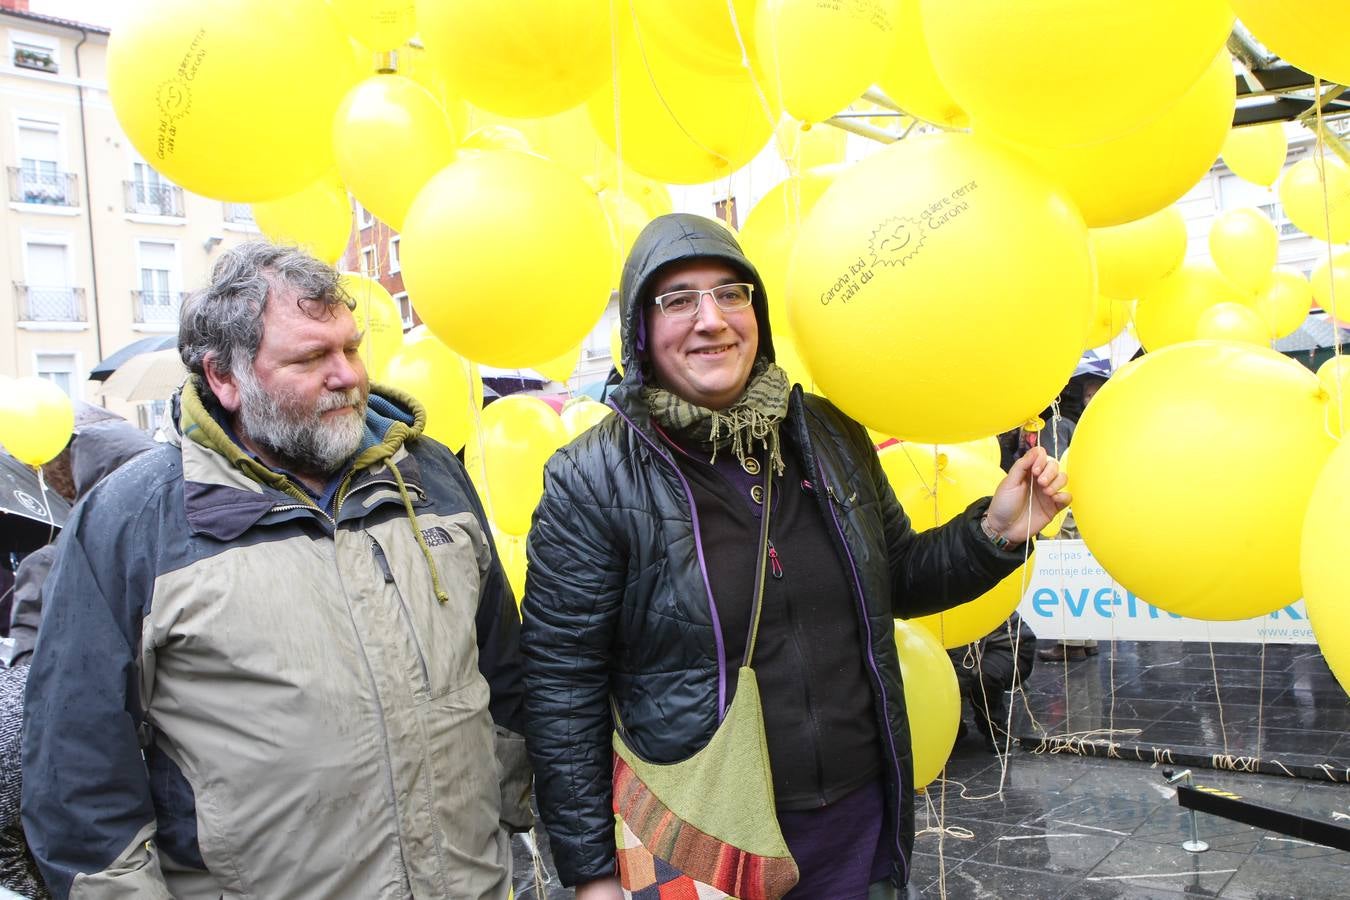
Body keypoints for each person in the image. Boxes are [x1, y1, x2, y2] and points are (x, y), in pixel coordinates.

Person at [521, 214, 1068, 899]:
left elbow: (895, 575)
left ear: (758, 312)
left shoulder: (828, 433)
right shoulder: (593, 478)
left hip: (855, 827)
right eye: (678, 299)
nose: (711, 319)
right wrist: (593, 873)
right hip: (705, 844)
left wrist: (995, 530)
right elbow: (561, 687)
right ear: (640, 326)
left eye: (731, 293)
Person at [22, 242, 530, 899]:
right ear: (224, 378)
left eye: (350, 348)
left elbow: (504, 689)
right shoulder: (130, 523)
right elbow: (79, 784)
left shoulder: (430, 476)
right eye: (311, 357)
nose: (348, 375)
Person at [949, 614, 1038, 754]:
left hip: (1012, 647)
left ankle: (996, 730)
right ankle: (954, 727)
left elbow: (964, 664)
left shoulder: (965, 603)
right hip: (973, 648)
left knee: (982, 677)